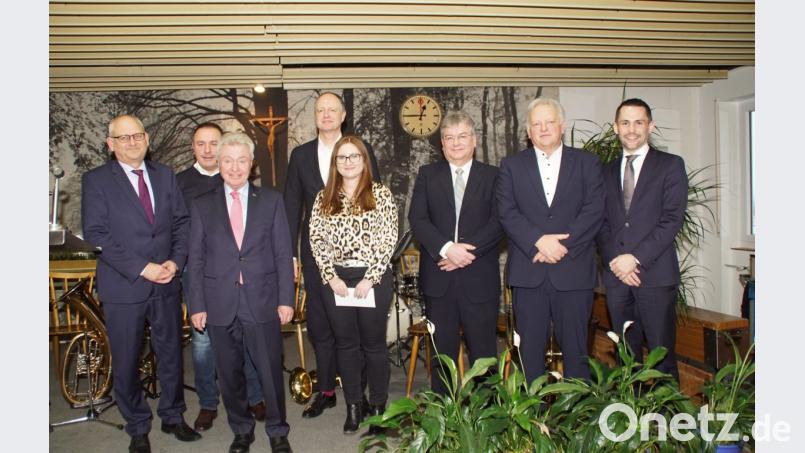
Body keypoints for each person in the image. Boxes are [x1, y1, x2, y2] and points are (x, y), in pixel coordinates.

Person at [82, 114, 201, 453]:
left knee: (171, 354)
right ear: (111, 144)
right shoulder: (97, 181)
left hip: (166, 281)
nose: (132, 142)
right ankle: (137, 424)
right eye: (123, 137)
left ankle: (173, 416)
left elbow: (181, 223)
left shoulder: (165, 175)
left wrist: (175, 262)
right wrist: (142, 268)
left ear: (147, 139)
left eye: (137, 135)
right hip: (125, 285)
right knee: (126, 357)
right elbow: (96, 234)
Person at [187, 132, 294, 453]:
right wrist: (196, 304)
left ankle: (278, 431)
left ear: (252, 164)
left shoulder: (272, 201)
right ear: (219, 164)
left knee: (270, 370)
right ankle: (241, 430)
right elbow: (196, 259)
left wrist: (286, 299)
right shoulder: (202, 205)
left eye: (242, 160)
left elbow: (282, 253)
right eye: (228, 161)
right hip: (218, 302)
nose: (235, 167)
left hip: (261, 301)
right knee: (229, 372)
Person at [283, 91, 381, 418]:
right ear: (315, 116)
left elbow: (376, 204)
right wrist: (290, 255)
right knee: (322, 329)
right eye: (320, 110)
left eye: (332, 110)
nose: (326, 115)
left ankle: (362, 396)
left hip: (359, 264)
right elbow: (290, 208)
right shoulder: (300, 156)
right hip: (317, 259)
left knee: (359, 332)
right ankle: (326, 391)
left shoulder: (361, 152)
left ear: (343, 116)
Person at [496, 97, 604, 383]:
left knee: (577, 353)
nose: (543, 128)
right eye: (536, 124)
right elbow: (506, 211)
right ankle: (532, 422)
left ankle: (578, 420)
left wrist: (561, 246)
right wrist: (538, 241)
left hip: (574, 271)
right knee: (529, 354)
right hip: (529, 273)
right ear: (528, 132)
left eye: (549, 122)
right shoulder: (511, 165)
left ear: (562, 125)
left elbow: (594, 210)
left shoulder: (588, 163)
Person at [176, 122, 266, 432]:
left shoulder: (236, 180)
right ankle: (208, 403)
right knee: (203, 344)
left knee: (245, 339)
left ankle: (253, 397)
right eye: (200, 143)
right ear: (193, 147)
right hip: (199, 271)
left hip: (239, 276)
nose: (207, 149)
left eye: (214, 143)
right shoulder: (180, 183)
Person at [407, 111, 504, 394]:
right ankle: (446, 418)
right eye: (449, 138)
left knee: (484, 357)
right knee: (442, 357)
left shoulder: (493, 176)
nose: (456, 143)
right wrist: (448, 249)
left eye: (462, 136)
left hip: (479, 280)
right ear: (442, 143)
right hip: (439, 281)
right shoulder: (428, 175)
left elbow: (499, 222)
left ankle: (486, 418)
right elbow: (418, 219)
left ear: (474, 140)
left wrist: (463, 253)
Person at [308, 135, 398, 435]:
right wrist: (330, 276)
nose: (348, 162)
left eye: (354, 156)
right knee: (345, 345)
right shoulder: (324, 197)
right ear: (335, 163)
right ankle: (354, 406)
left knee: (373, 345)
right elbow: (316, 239)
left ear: (364, 160)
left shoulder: (381, 194)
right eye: (342, 157)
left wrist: (370, 278)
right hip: (335, 281)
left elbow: (388, 239)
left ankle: (378, 407)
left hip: (372, 278)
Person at [597, 98, 688, 381]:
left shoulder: (670, 166)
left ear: (651, 126)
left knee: (663, 360)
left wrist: (633, 259)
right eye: (625, 123)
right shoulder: (603, 171)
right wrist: (617, 261)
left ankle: (671, 423)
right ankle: (631, 419)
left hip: (655, 277)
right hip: (617, 279)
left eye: (639, 122)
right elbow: (599, 222)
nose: (632, 129)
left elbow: (672, 219)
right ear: (615, 128)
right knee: (626, 359)